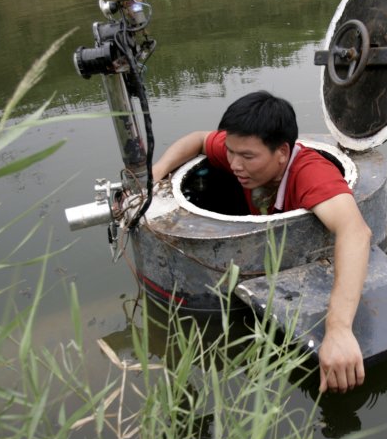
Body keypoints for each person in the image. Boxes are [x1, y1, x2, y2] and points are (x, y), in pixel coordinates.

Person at [150, 91, 370, 394]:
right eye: (230, 152)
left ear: (281, 152)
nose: (235, 164)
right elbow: (199, 139)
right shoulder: (242, 154)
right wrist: (157, 172)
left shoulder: (310, 174)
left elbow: (355, 232)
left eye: (248, 157)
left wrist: (339, 329)